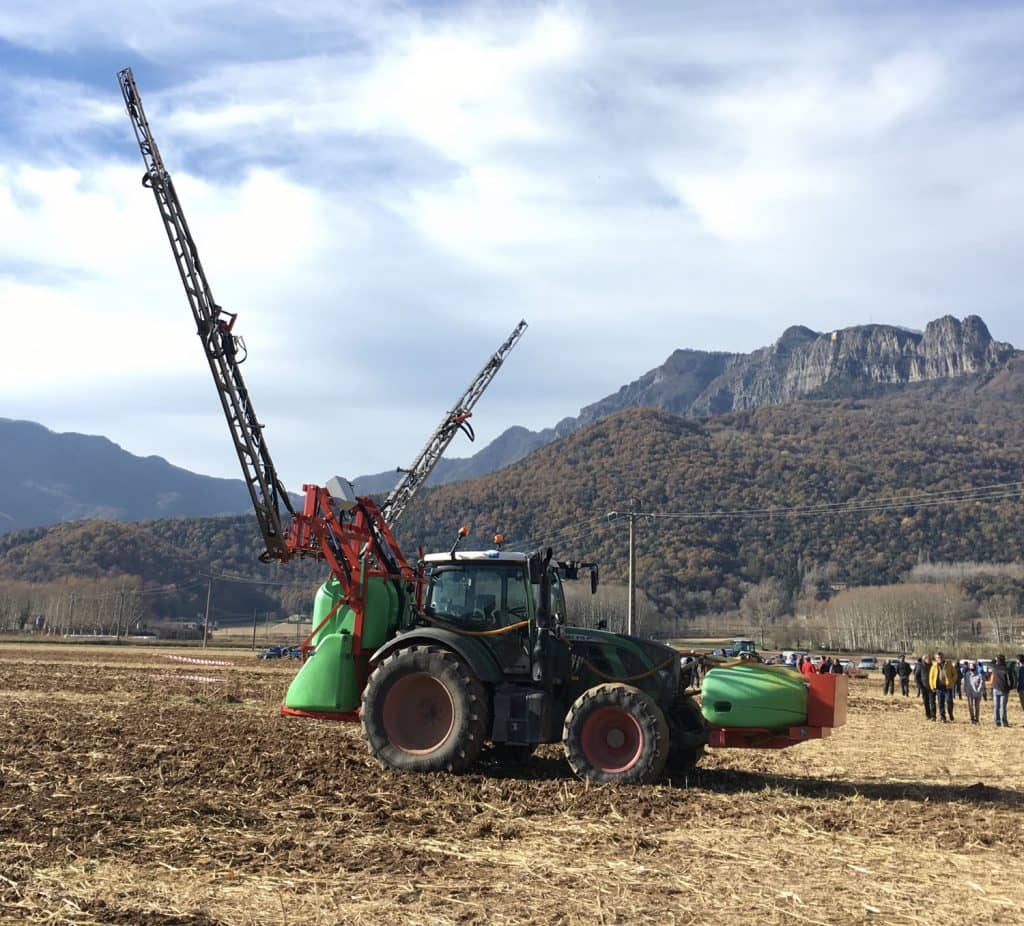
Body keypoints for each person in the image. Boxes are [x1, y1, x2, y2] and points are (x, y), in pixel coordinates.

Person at [929, 652, 956, 722]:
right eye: (938, 658)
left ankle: (950, 713)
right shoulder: (934, 666)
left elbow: (955, 674)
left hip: (948, 687)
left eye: (940, 657)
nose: (939, 659)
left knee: (949, 701)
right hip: (939, 687)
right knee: (940, 702)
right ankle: (943, 717)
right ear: (935, 659)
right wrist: (932, 686)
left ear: (943, 657)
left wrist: (951, 682)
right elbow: (931, 677)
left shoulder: (949, 665)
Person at [990, 654, 1013, 727]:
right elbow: (1010, 680)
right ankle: (1004, 722)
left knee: (996, 706)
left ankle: (997, 722)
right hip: (1004, 689)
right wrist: (1010, 687)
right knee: (1003, 707)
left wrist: (994, 659)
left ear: (997, 660)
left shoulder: (994, 668)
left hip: (995, 688)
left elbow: (991, 663)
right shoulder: (1006, 669)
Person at [919, 655, 935, 720]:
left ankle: (933, 716)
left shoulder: (933, 666)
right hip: (924, 687)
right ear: (924, 659)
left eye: (930, 659)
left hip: (932, 687)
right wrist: (920, 686)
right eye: (928, 659)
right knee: (926, 702)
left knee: (932, 702)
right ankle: (928, 715)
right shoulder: (921, 666)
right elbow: (916, 677)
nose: (929, 660)